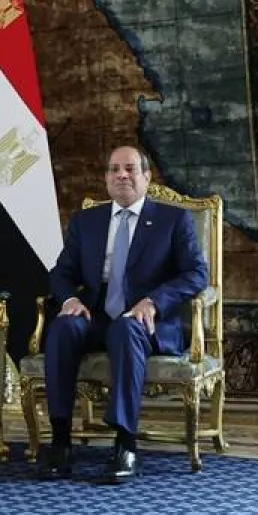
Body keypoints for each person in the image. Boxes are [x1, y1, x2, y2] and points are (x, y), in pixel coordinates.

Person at [40, 145, 208, 484]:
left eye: (131, 168)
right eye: (115, 169)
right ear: (106, 179)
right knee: (62, 327)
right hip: (98, 316)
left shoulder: (173, 220)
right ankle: (60, 440)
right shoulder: (87, 221)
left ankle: (124, 444)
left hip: (148, 322)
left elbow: (196, 274)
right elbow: (61, 273)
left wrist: (154, 301)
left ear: (147, 176)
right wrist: (71, 299)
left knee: (126, 329)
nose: (122, 175)